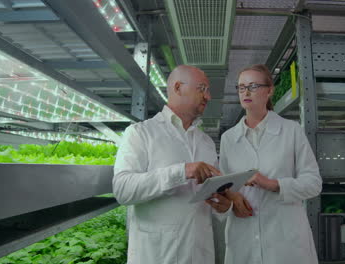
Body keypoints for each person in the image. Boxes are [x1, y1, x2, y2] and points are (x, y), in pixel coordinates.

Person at [113, 65, 231, 264]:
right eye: (202, 88)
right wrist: (182, 171)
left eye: (208, 90)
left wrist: (223, 206)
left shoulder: (206, 143)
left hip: (200, 255)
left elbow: (208, 202)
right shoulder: (140, 133)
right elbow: (123, 189)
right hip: (157, 256)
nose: (208, 97)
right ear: (177, 88)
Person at [219, 64, 322, 264]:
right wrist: (232, 199)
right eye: (241, 87)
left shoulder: (291, 131)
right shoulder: (228, 139)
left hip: (284, 239)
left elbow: (313, 183)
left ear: (270, 90)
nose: (246, 92)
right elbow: (225, 185)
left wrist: (273, 184)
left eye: (253, 86)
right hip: (243, 234)